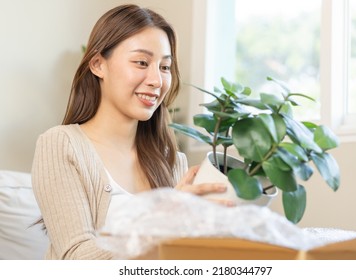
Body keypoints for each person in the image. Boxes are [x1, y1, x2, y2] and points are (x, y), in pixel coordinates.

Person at [31, 4, 230, 260]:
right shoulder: (60, 145)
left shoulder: (171, 161)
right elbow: (76, 258)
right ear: (97, 65)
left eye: (165, 67)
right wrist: (164, 220)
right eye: (141, 62)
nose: (156, 80)